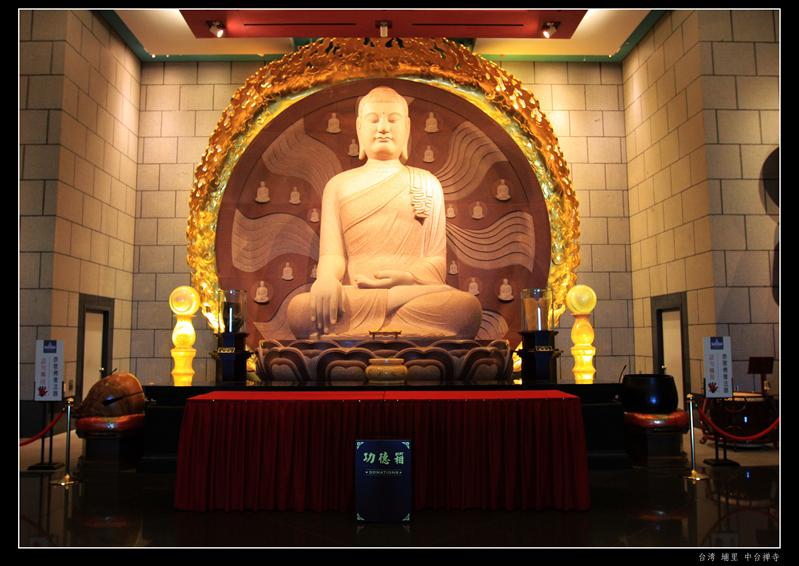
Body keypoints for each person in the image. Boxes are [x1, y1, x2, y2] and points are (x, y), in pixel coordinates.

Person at [287, 86, 482, 338]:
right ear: (359, 128)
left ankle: (357, 335)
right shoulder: (338, 185)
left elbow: (436, 262)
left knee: (465, 308)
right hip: (356, 295)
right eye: (373, 120)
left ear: (407, 129)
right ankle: (413, 336)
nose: (383, 128)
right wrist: (326, 281)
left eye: (392, 120)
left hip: (411, 294)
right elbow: (332, 255)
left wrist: (406, 278)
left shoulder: (427, 183)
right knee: (300, 310)